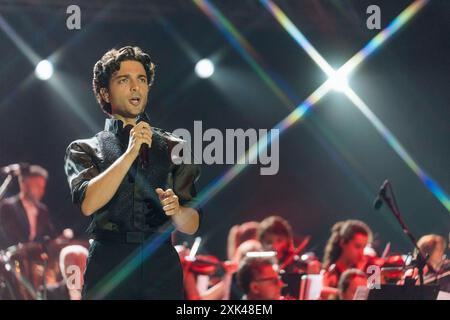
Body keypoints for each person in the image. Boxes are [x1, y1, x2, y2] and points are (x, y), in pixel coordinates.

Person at [64, 46, 202, 299]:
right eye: (124, 80)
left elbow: (193, 224)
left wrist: (177, 210)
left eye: (141, 79)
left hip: (160, 262)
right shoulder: (85, 149)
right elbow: (88, 204)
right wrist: (129, 154)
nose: (135, 87)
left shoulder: (175, 147)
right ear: (105, 92)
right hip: (109, 262)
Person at [0, 164, 55, 249]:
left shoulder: (43, 210)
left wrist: (61, 239)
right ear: (24, 184)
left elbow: (50, 236)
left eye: (43, 187)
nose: (42, 191)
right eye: (37, 186)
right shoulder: (7, 207)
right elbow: (6, 238)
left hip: (37, 259)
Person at [321, 220, 372, 297]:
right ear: (343, 243)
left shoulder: (362, 268)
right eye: (357, 246)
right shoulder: (331, 273)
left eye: (363, 247)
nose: (361, 253)